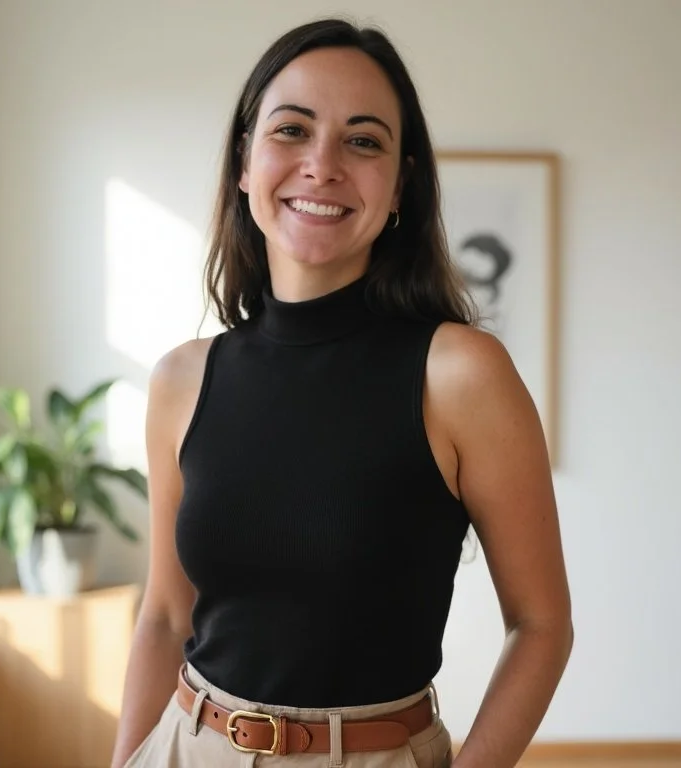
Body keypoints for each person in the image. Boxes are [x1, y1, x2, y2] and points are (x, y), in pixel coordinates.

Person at [111, 18, 573, 768]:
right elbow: (165, 615)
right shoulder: (180, 381)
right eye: (291, 130)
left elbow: (542, 623)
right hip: (186, 746)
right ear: (244, 163)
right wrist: (128, 757)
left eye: (363, 141)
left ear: (400, 186)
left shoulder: (461, 375)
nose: (321, 165)